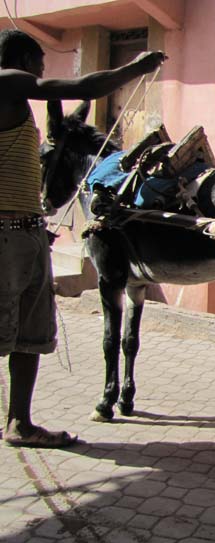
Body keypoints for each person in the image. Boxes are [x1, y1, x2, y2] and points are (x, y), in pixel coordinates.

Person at [0, 29, 165, 447]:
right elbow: (81, 86)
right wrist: (136, 69)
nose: (41, 73)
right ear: (22, 60)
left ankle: (19, 423)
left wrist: (36, 226)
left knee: (29, 336)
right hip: (7, 236)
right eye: (39, 65)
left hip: (26, 231)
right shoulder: (7, 81)